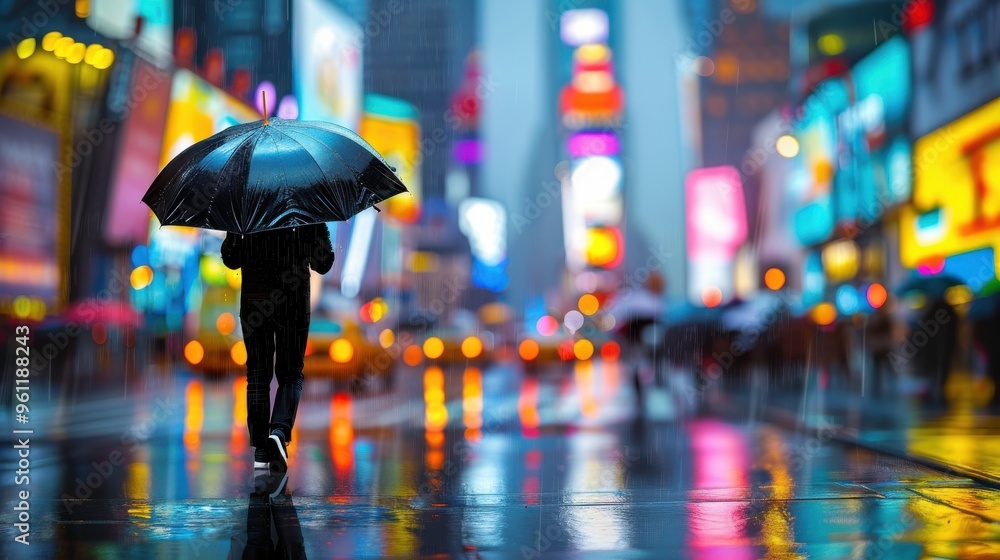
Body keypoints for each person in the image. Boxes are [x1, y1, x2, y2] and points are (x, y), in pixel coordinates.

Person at [222, 223, 334, 471]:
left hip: (255, 303)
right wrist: (318, 232)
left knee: (258, 376)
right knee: (291, 373)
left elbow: (231, 260)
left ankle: (261, 449)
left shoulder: (246, 210)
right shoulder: (306, 207)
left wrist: (233, 232)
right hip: (293, 302)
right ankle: (280, 432)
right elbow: (323, 263)